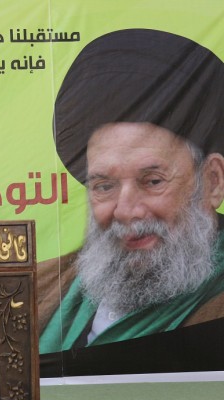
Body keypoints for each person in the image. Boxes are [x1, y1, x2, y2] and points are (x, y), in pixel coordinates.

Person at [38, 28, 224, 354]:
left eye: (152, 181)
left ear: (213, 181)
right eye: (104, 186)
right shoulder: (41, 286)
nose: (125, 211)